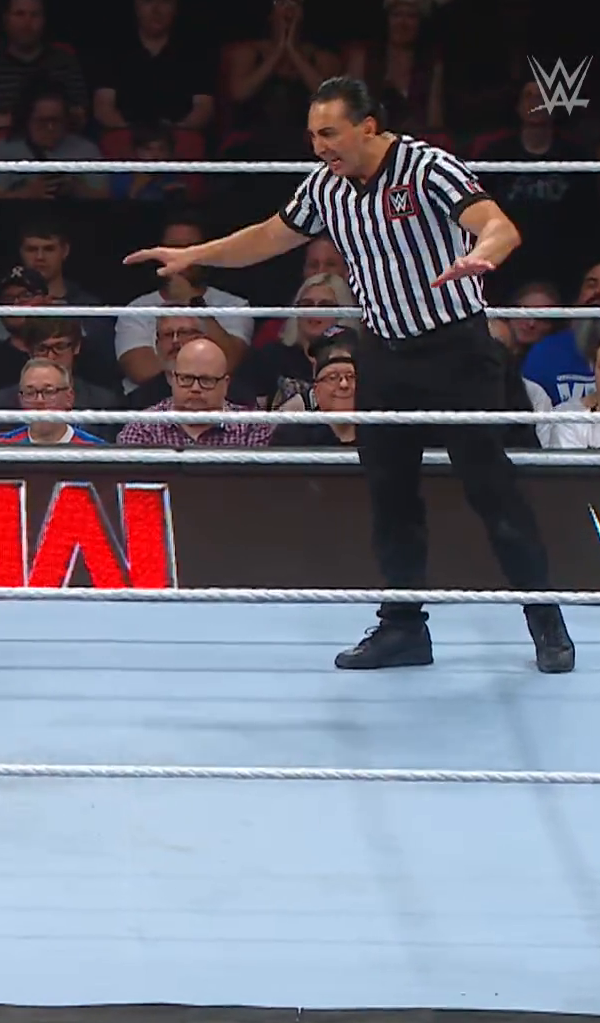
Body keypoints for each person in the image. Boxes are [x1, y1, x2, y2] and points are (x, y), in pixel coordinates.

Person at [123, 75, 573, 676]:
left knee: (492, 490)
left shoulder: (426, 166)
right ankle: (403, 628)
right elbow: (269, 236)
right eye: (313, 135)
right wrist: (195, 255)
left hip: (456, 350)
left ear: (368, 127)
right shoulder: (325, 186)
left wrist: (481, 253)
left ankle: (546, 622)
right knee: (390, 494)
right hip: (383, 352)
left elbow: (500, 225)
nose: (320, 147)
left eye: (330, 133)